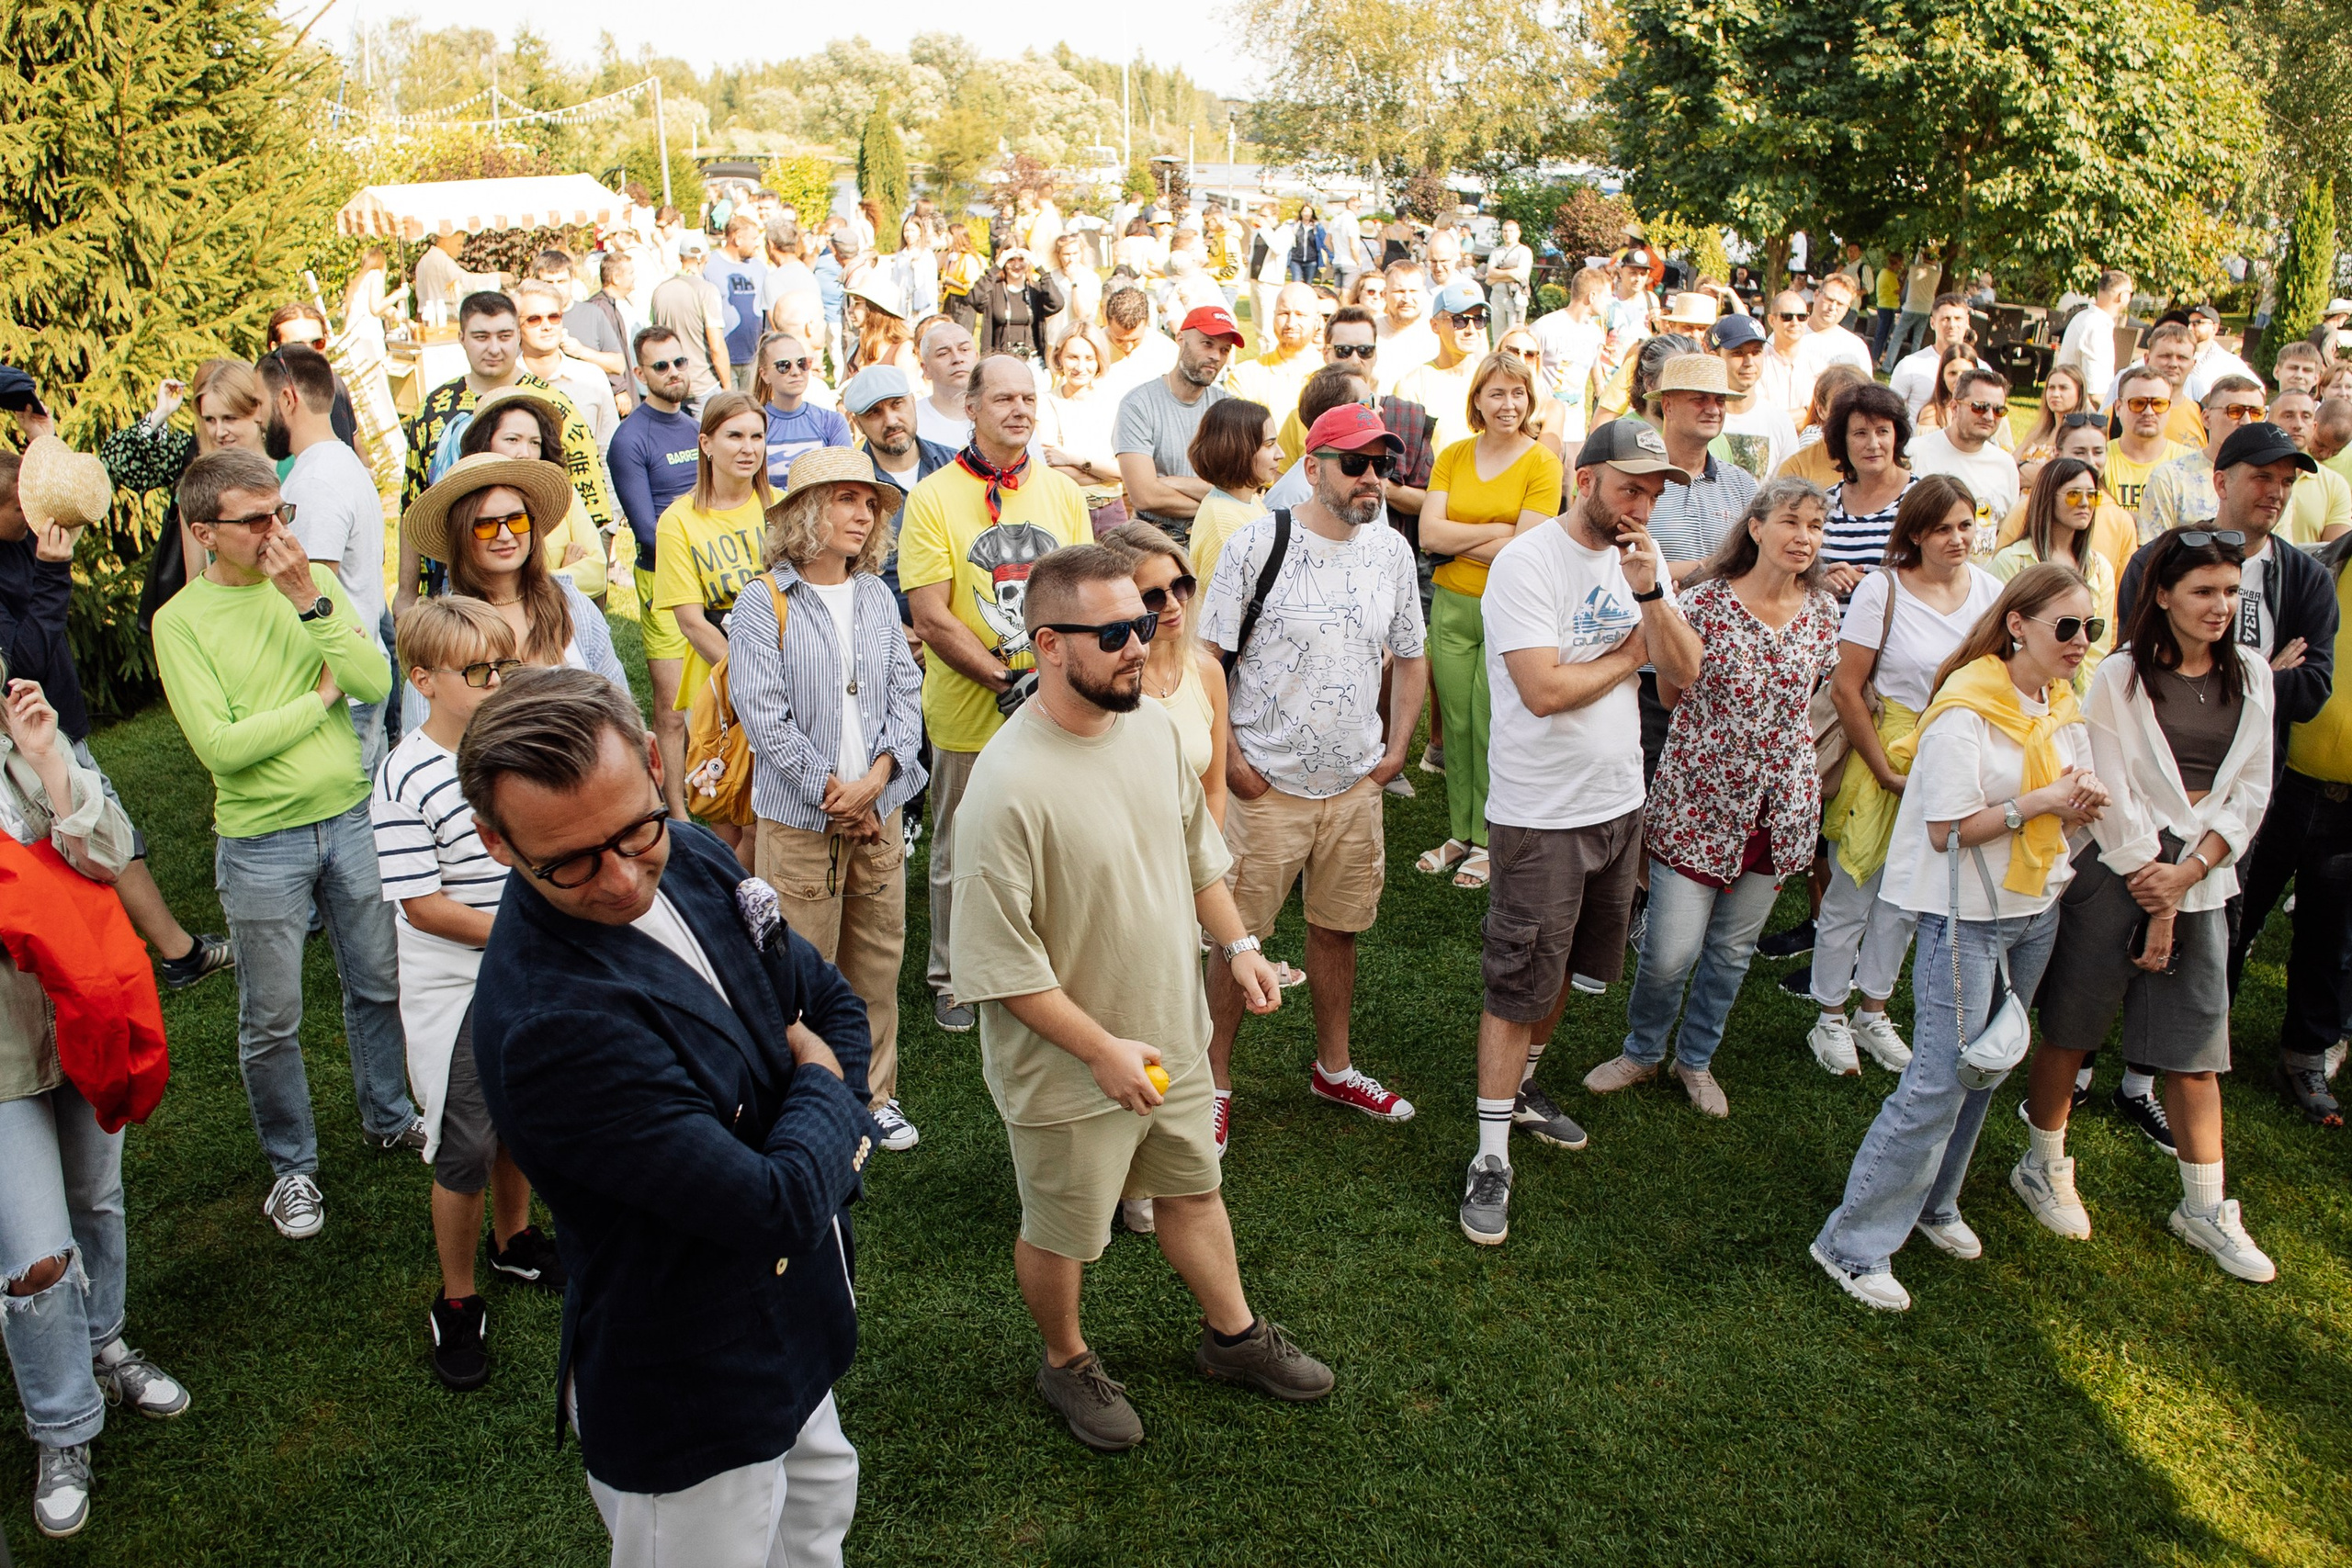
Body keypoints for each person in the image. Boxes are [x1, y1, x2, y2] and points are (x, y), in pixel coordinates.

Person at [457, 668, 872, 1567]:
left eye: (634, 830)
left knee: (815, 1524)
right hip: (689, 1388)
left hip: (793, 1327)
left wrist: (816, 1089)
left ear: (654, 764)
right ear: (495, 842)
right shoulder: (549, 1025)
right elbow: (773, 1204)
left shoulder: (693, 854)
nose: (618, 879)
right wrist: (824, 1092)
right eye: (567, 862)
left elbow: (832, 1004)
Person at [944, 543, 1330, 1450]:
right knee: (1065, 1232)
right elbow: (1002, 969)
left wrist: (1236, 945)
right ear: (1047, 644)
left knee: (1194, 1189)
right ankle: (1065, 1360)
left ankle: (1232, 1337)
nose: (1141, 642)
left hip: (1174, 1034)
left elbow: (1195, 857)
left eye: (1150, 620)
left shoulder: (1154, 729)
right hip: (1070, 1069)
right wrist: (1101, 1052)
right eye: (1115, 630)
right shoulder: (1003, 789)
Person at [1812, 564, 2109, 1311]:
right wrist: (2040, 800)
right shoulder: (1966, 708)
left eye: (2090, 628)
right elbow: (1946, 829)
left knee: (1989, 1066)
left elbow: (2064, 807)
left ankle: (1935, 1203)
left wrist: (2079, 806)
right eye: (2065, 627)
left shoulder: (2060, 706)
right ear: (2018, 625)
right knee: (1941, 1077)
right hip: (1963, 915)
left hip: (2033, 907)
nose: (2080, 643)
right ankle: (1851, 1243)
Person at [151, 450, 419, 1238]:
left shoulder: (310, 583)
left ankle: (389, 1116)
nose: (278, 532)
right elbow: (222, 748)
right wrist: (317, 700)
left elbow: (373, 680)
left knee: (376, 981)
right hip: (261, 841)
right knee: (272, 1016)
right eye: (257, 519)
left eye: (282, 513)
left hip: (349, 817)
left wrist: (310, 602)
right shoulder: (181, 622)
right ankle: (292, 1169)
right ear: (205, 532)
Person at [1456, 418, 1693, 1243]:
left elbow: (1686, 674)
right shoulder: (1527, 563)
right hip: (1540, 813)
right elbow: (1544, 690)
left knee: (1563, 975)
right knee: (1517, 977)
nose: (1644, 505)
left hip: (1617, 801)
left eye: (1656, 492)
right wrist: (1633, 653)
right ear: (1584, 477)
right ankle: (1490, 1155)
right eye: (1631, 486)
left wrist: (1653, 597)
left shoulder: (1644, 560)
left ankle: (1520, 1088)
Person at [2016, 531, 2277, 1279]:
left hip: (2200, 880)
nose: (2219, 606)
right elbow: (2109, 787)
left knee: (2197, 1052)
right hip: (2119, 871)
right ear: (2163, 595)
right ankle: (2041, 1163)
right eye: (2203, 591)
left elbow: (2252, 788)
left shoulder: (2254, 675)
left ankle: (2203, 1207)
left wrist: (2189, 872)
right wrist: (2154, 882)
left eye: (2230, 591)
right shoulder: (2120, 677)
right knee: (2074, 1025)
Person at [1199, 403, 1430, 1150]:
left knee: (1339, 930)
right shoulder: (1255, 542)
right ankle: (1213, 1083)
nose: (1372, 478)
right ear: (1313, 466)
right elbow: (1207, 663)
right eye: (1355, 463)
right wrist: (1233, 763)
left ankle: (1335, 1068)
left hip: (1355, 787)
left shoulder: (1392, 551)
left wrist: (1395, 751)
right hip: (1264, 786)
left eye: (1381, 465)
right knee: (1238, 943)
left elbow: (1412, 652)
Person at [0, 663, 190, 1540]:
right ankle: (64, 1426)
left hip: (85, 1022)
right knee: (35, 1255)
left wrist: (48, 764)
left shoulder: (35, 749)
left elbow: (112, 854)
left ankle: (106, 1339)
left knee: (97, 1201)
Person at [1584, 478, 1840, 1117]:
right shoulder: (1702, 603)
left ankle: (1694, 1059)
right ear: (1755, 527)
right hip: (1699, 799)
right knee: (1671, 951)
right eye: (1790, 521)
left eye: (1814, 525)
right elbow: (1671, 695)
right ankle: (1642, 1050)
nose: (1803, 536)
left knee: (1731, 951)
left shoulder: (1823, 612)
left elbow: (1812, 698)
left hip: (1779, 808)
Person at [371, 599, 563, 1393]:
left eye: (503, 666)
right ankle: (456, 1297)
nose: (494, 683)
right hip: (460, 985)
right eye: (476, 672)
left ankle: (513, 1239)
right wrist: (531, 928)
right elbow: (423, 906)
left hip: (526, 965)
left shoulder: (511, 752)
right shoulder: (404, 772)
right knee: (464, 1143)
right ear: (421, 680)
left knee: (520, 1116)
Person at [2148, 423, 2347, 1122]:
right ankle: (2132, 1053)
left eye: (2288, 481)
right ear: (2222, 478)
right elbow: (2151, 673)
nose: (2277, 491)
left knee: (2256, 922)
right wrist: (2263, 676)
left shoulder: (2307, 578)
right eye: (2264, 476)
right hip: (2165, 773)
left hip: (2260, 782)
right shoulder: (2161, 558)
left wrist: (2227, 675)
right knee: (2166, 912)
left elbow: (2313, 686)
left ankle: (2214, 1052)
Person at [730, 448, 926, 1155]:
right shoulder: (764, 600)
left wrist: (876, 780)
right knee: (801, 966)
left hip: (881, 807)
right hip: (800, 817)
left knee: (877, 958)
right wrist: (831, 792)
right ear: (808, 511)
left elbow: (908, 693)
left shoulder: (877, 594)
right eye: (846, 499)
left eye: (869, 503)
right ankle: (813, 1100)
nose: (862, 513)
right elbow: (762, 713)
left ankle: (875, 1096)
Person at [899, 355, 1094, 1033]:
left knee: (1054, 840)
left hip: (1055, 703)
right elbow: (929, 614)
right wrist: (1001, 677)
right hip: (967, 710)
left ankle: (1047, 967)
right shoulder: (931, 497)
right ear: (970, 409)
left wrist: (1049, 681)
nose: (1019, 408)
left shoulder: (1064, 494)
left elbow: (1084, 596)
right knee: (960, 847)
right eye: (1004, 397)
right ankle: (952, 976)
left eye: (1028, 397)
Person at [0, 438, 233, 987]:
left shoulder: (15, 537)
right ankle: (179, 954)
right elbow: (19, 666)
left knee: (98, 828)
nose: (32, 519)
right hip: (32, 733)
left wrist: (38, 430)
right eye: (20, 508)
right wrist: (55, 573)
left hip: (57, 717)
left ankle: (145, 951)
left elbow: (53, 489)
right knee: (102, 827)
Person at [1809, 477, 2004, 1074]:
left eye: (1966, 525)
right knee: (1854, 887)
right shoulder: (1882, 590)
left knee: (1908, 898)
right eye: (1942, 527)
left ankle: (1873, 1011)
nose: (1957, 538)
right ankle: (1829, 1017)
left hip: (1951, 753)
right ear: (1915, 533)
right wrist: (1883, 770)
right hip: (1886, 749)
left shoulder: (1990, 591)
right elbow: (1846, 689)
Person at [1414, 354, 1564, 888]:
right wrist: (1496, 530)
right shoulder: (1453, 455)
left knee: (1489, 724)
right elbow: (1428, 536)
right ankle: (1460, 831)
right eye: (1496, 393)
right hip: (1451, 605)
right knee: (1455, 722)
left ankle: (1489, 838)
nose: (1508, 404)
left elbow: (1524, 552)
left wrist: (1462, 537)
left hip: (1508, 610)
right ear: (1477, 398)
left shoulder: (1543, 462)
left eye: (1518, 394)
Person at [398, 292, 616, 609]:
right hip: (447, 592)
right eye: (481, 336)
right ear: (461, 338)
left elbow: (591, 508)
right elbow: (413, 505)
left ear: (518, 336)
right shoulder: (432, 410)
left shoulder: (554, 408)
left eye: (504, 336)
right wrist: (406, 593)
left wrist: (581, 593)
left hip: (541, 591)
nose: (494, 348)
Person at [402, 451, 629, 697]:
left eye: (517, 520)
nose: (505, 535)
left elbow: (620, 703)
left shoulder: (574, 606)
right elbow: (427, 729)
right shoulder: (441, 631)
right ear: (460, 536)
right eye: (485, 525)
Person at [655, 393, 775, 856]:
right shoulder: (679, 522)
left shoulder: (781, 507)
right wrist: (757, 678)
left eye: (758, 436)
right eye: (735, 436)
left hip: (788, 674)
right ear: (705, 443)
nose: (749, 448)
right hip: (717, 685)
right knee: (729, 816)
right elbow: (691, 621)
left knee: (767, 818)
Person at [261, 345, 391, 770]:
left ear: (286, 399)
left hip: (341, 695)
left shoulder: (315, 481)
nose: (258, 420)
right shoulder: (342, 463)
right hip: (359, 674)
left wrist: (314, 698)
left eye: (260, 404)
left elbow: (316, 591)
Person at [102, 359, 268, 615]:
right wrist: (160, 414)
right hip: (224, 617)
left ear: (257, 410)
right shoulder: (197, 480)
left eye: (230, 418)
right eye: (210, 420)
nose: (219, 431)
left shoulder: (292, 468)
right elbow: (196, 578)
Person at [455, 387, 610, 604]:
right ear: (486, 441)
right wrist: (564, 576)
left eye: (534, 443)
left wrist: (542, 581)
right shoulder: (469, 503)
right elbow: (481, 581)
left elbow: (597, 573)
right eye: (512, 440)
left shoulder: (563, 494)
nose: (525, 453)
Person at [1990, 458, 2120, 684]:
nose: (2084, 503)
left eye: (2092, 496)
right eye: (2073, 494)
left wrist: (2082, 709)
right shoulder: (2012, 561)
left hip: (2075, 698)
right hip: (2017, 688)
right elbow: (1994, 637)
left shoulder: (2100, 569)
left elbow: (2096, 652)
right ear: (2048, 498)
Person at [1115, 305, 1241, 536]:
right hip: (1156, 539)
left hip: (1217, 535)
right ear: (1181, 339)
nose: (1215, 356)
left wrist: (1168, 481)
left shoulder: (1228, 408)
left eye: (1225, 350)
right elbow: (1144, 496)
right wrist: (1221, 503)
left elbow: (1242, 490)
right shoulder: (1138, 404)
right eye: (1207, 344)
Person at [839, 365, 956, 607]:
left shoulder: (956, 467)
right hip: (882, 632)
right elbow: (838, 573)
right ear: (858, 424)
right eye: (874, 413)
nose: (890, 420)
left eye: (897, 404)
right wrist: (892, 627)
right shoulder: (847, 486)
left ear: (913, 403)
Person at [1644, 353, 1758, 585]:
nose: (1713, 410)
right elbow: (1615, 562)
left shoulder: (1742, 484)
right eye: (1699, 399)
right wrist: (1707, 567)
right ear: (1668, 406)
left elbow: (1761, 561)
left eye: (1720, 401)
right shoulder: (1639, 480)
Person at [2137, 376, 2269, 540]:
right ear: (2207, 418)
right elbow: (2152, 554)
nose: (2246, 421)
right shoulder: (2170, 478)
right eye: (2235, 411)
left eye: (2256, 413)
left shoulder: (2272, 483)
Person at [1815, 380, 1915, 591]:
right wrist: (1820, 584)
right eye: (1860, 433)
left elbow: (1937, 581)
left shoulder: (1921, 499)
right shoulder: (1824, 503)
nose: (1873, 444)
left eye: (1882, 431)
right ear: (1843, 440)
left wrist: (1866, 583)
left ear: (1897, 435)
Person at [1907, 367, 2019, 552]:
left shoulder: (2006, 465)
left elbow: (2005, 534)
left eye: (1999, 410)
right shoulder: (1915, 453)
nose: (1989, 417)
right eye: (1979, 407)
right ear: (1954, 407)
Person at [513, 279, 619, 457]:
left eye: (553, 317)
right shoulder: (507, 383)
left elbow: (608, 451)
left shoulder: (592, 377)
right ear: (516, 326)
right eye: (534, 319)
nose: (546, 326)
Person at [1035, 330, 1128, 534]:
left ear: (1099, 361)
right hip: (1065, 510)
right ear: (1059, 357)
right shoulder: (1045, 402)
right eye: (1072, 357)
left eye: (1089, 358)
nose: (1080, 367)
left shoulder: (1115, 403)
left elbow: (1124, 471)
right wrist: (1104, 473)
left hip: (1111, 511)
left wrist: (1071, 458)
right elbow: (1050, 468)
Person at [1183, 397, 1283, 587]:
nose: (1280, 454)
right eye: (1269, 445)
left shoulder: (1249, 500)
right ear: (1239, 449)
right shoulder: (1224, 523)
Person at [1393, 282, 1490, 457]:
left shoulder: (1492, 380)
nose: (1471, 329)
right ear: (1435, 325)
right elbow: (1401, 463)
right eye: (1459, 320)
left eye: (1478, 320)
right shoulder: (1412, 385)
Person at [755, 330, 854, 488]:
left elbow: (845, 483)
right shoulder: (753, 424)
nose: (795, 372)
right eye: (783, 366)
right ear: (764, 374)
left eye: (802, 363)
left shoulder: (832, 422)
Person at [1709, 312, 1800, 480]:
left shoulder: (1780, 421)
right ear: (1715, 358)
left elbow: (1788, 489)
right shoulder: (1701, 418)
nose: (1749, 362)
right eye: (1738, 353)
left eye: (1756, 352)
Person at [1526, 267, 1611, 446]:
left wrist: (1601, 394)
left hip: (1575, 431)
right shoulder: (1544, 328)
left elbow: (1595, 371)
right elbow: (1523, 370)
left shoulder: (1595, 333)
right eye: (1606, 297)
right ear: (1592, 296)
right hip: (1542, 427)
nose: (1608, 302)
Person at [1225, 283, 1324, 429]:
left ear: (1317, 320)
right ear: (1273, 316)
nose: (1291, 323)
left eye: (1300, 314)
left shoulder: (1330, 376)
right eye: (1284, 314)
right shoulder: (1245, 375)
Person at [649, 231, 730, 400]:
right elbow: (716, 346)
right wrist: (727, 385)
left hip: (671, 383)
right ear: (706, 258)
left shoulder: (660, 290)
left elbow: (654, 335)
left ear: (680, 257)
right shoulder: (707, 291)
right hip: (702, 384)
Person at [2104, 365, 2193, 518]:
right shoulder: (2099, 459)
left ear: (2169, 408)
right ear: (2118, 408)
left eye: (2159, 404)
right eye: (2138, 403)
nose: (2149, 412)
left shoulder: (2190, 464)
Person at [2269, 389, 2352, 547]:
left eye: (2305, 416)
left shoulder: (2335, 485)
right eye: (2288, 416)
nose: (2298, 425)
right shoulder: (2247, 475)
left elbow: (2334, 557)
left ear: (2314, 427)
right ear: (2268, 422)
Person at [565, 250, 639, 415]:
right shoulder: (599, 308)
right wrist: (619, 388)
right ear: (615, 278)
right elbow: (602, 349)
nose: (634, 277)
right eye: (630, 273)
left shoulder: (612, 305)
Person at [706, 213, 771, 391]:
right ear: (738, 238)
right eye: (753, 238)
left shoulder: (758, 267)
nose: (757, 243)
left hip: (753, 358)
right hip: (723, 360)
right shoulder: (710, 266)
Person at [1888, 293, 1979, 420]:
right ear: (1932, 323)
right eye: (1945, 319)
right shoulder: (1910, 366)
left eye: (1958, 318)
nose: (1952, 325)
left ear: (1967, 322)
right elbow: (1889, 413)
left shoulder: (1980, 368)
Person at [967, 248, 1065, 365]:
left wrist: (1040, 268)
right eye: (1010, 260)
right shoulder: (994, 290)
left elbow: (1057, 303)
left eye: (1021, 259)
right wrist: (996, 267)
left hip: (1032, 359)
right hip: (1000, 361)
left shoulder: (1036, 290)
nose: (1016, 265)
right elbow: (974, 299)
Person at [2053, 270, 2132, 412]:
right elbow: (2096, 394)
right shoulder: (2097, 328)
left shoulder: (2083, 317)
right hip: (2083, 421)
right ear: (2123, 297)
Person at [914, 317, 980, 448]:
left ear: (977, 357)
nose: (957, 359)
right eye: (943, 353)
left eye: (964, 350)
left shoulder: (1001, 413)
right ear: (926, 369)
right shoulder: (912, 421)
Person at [2016, 366, 2089, 473]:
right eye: (2051, 388)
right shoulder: (2038, 430)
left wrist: (2020, 470)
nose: (2055, 394)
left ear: (2079, 392)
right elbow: (2009, 466)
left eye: (2063, 388)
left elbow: (2057, 476)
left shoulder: (2081, 435)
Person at [1880, 253, 1945, 373]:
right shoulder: (1937, 273)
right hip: (1926, 309)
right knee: (1917, 340)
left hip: (1911, 307)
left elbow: (1917, 261)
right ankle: (1912, 369)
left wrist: (1920, 253)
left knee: (1897, 337)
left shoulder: (1914, 269)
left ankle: (1887, 366)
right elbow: (1939, 265)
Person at [1374, 262, 1438, 387]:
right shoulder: (1368, 332)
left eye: (1413, 291)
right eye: (1399, 291)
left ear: (1424, 293)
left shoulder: (1437, 334)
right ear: (1384, 294)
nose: (1407, 299)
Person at [1757, 290, 1813, 424]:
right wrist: (1806, 412)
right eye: (1786, 317)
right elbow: (1762, 419)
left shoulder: (1817, 365)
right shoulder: (1757, 364)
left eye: (1802, 317)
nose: (1795, 322)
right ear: (1771, 320)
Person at [1486, 219, 1534, 340]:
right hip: (1497, 296)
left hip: (1515, 297)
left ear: (1518, 233)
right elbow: (1490, 271)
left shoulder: (1524, 251)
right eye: (1505, 231)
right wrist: (1510, 272)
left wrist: (1496, 276)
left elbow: (1522, 275)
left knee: (1514, 332)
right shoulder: (1496, 252)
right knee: (1497, 334)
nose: (1507, 234)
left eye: (1511, 231)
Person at [413, 230, 469, 324]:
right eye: (459, 244)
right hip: (440, 320)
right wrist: (498, 277)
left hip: (423, 317)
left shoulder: (424, 259)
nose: (461, 249)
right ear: (446, 241)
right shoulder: (442, 260)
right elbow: (466, 280)